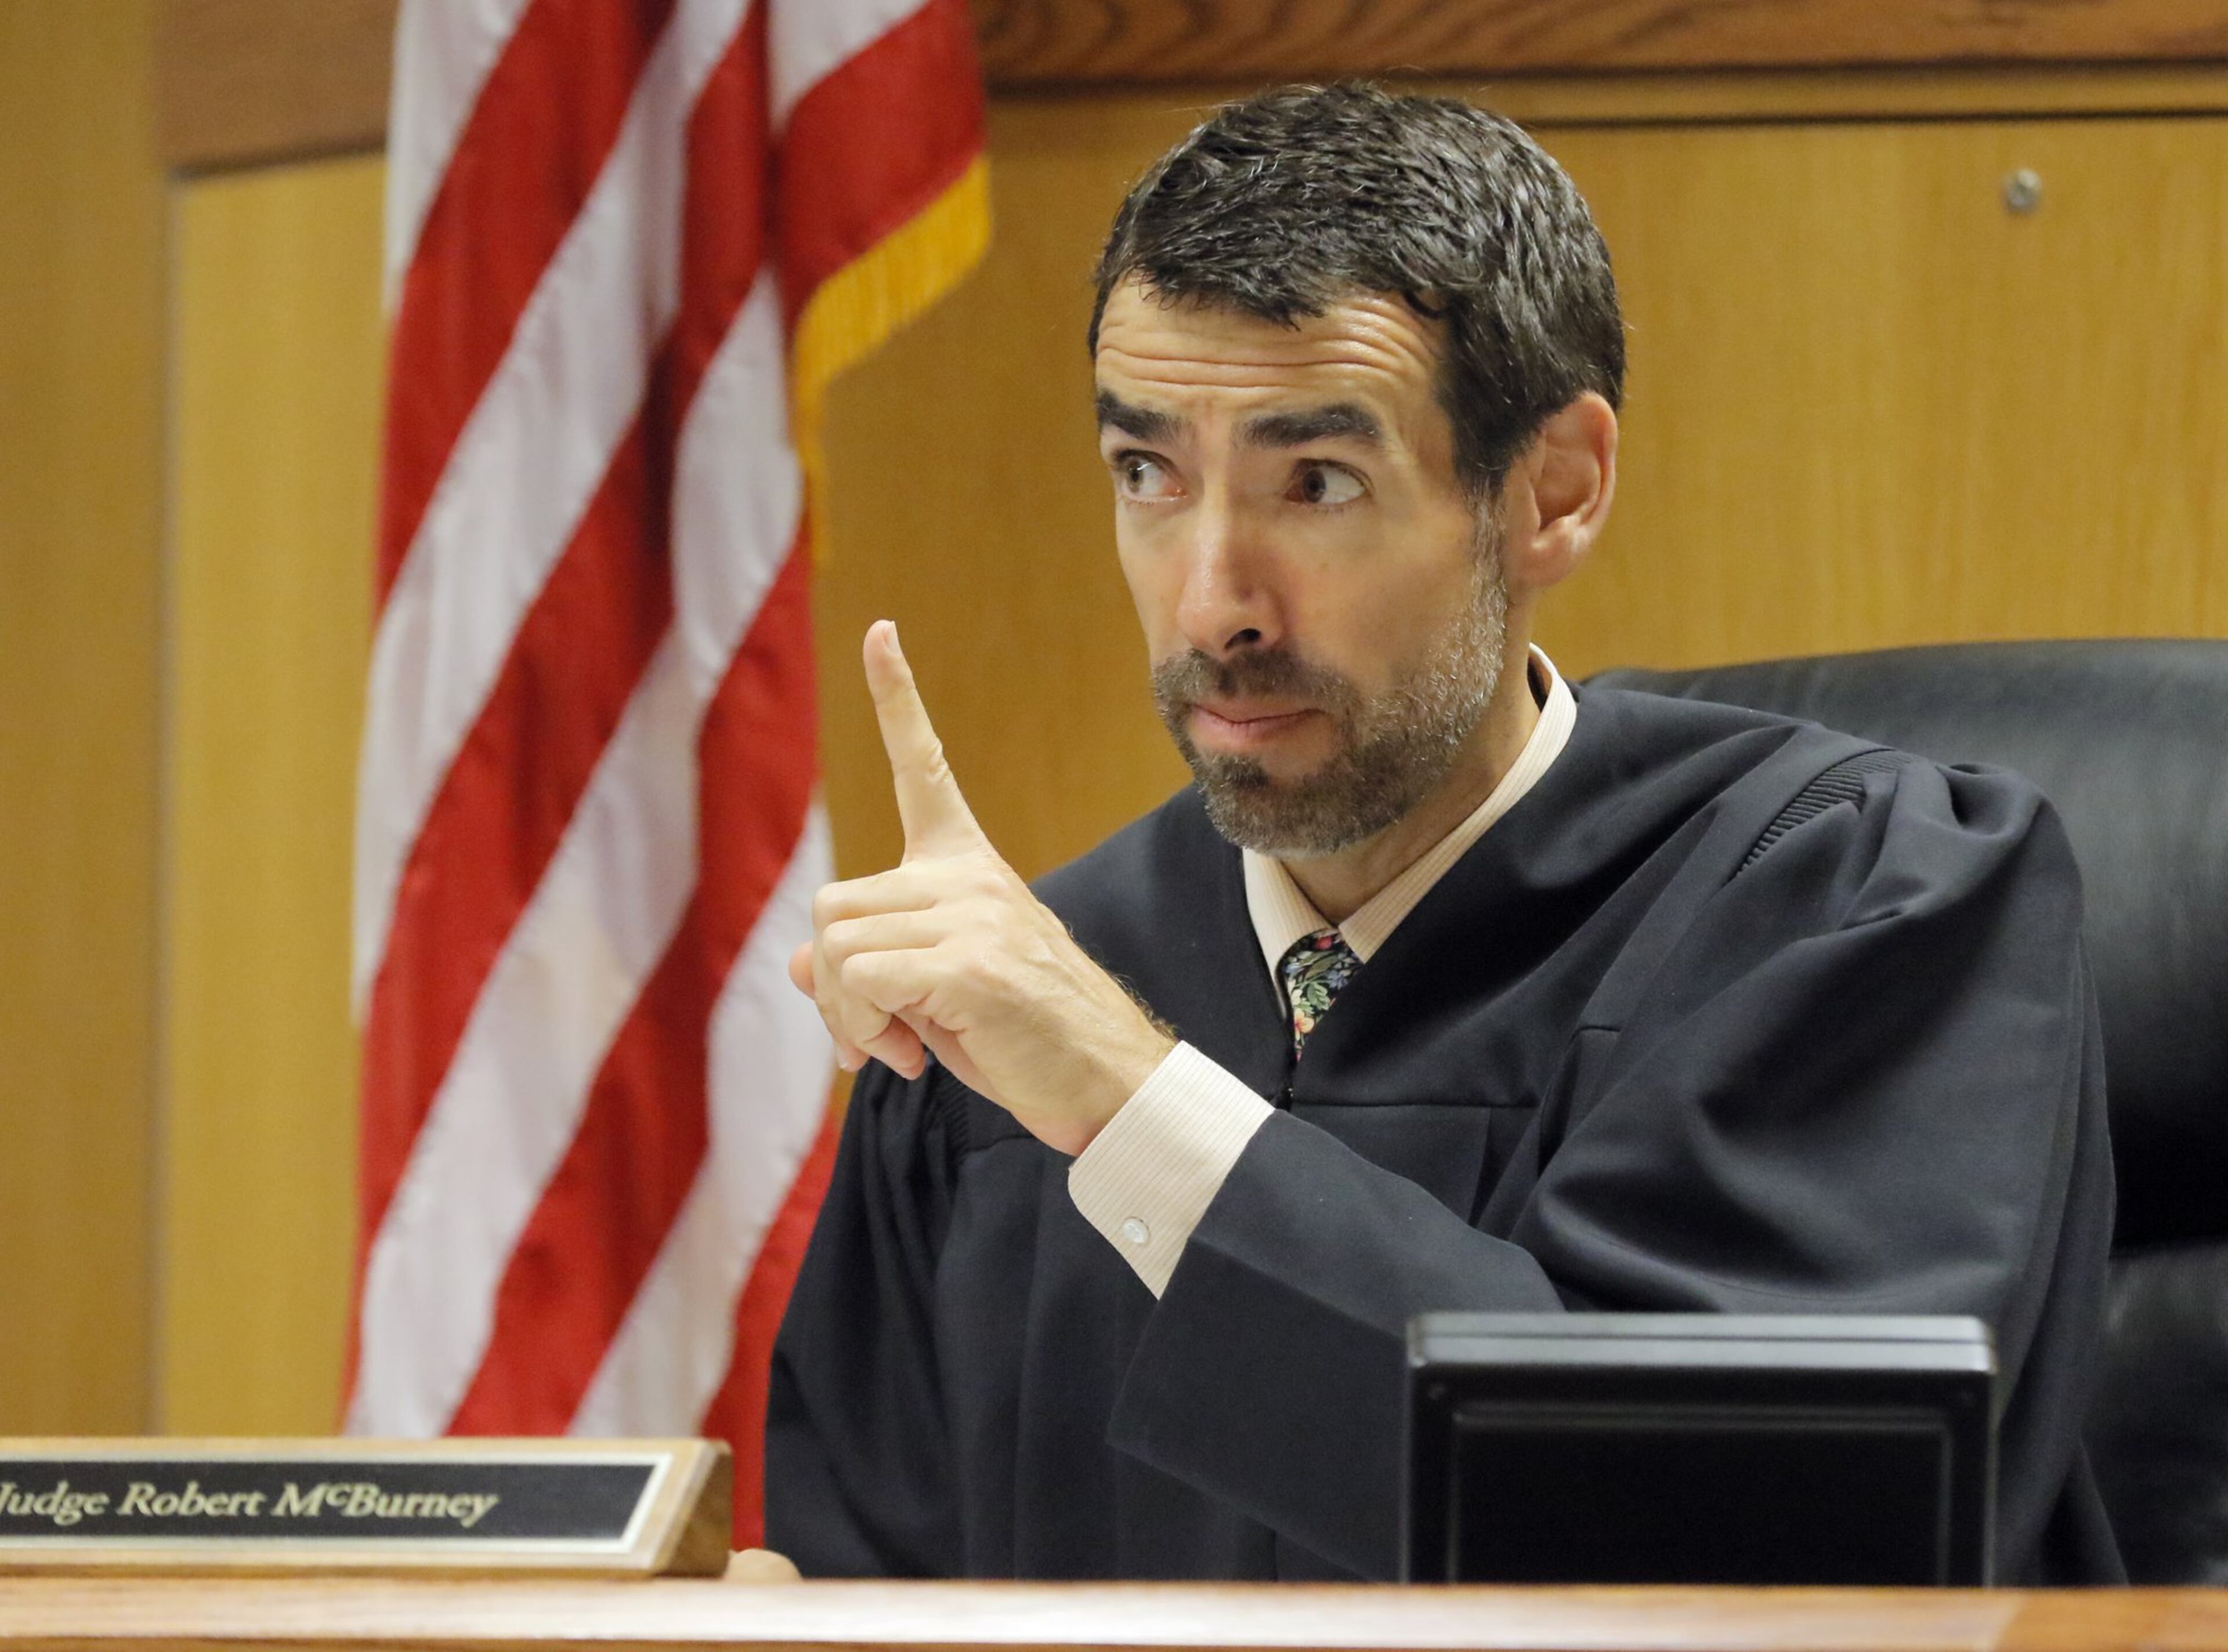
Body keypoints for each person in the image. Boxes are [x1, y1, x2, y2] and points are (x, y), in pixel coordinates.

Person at [763, 82, 2120, 1584]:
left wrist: (1134, 1106)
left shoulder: (1870, 905)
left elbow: (1757, 1554)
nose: (1213, 601)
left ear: (1554, 491)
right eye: (1147, 472)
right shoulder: (1001, 1041)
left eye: (1318, 482)